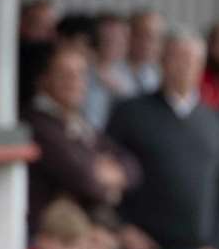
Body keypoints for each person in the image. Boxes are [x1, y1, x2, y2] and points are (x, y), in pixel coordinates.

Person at [104, 30, 219, 249]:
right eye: (177, 57)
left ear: (202, 66)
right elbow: (105, 176)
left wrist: (214, 245)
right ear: (162, 61)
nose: (185, 65)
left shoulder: (214, 121)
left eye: (193, 59)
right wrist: (121, 228)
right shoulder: (129, 112)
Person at [24, 45, 140, 231]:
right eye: (64, 75)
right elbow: (85, 179)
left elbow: (132, 167)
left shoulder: (79, 121)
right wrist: (111, 191)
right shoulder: (37, 123)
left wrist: (107, 174)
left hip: (81, 233)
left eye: (80, 74)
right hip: (49, 237)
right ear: (44, 79)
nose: (75, 82)